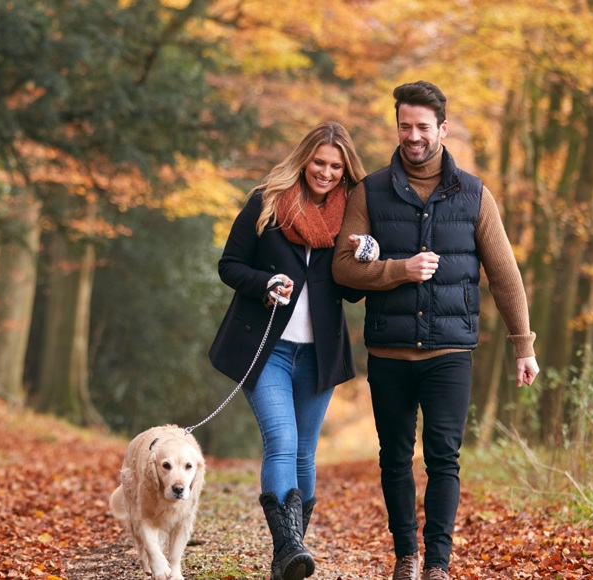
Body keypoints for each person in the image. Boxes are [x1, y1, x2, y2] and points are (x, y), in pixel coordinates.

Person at [332, 81, 540, 580]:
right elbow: (342, 268)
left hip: (450, 353)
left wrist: (523, 346)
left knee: (444, 458)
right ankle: (406, 557)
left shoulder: (473, 194)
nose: (413, 136)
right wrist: (398, 270)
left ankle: (438, 565)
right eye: (405, 126)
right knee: (395, 459)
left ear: (442, 129)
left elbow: (505, 273)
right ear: (397, 126)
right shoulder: (370, 192)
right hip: (389, 350)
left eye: (423, 127)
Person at [209, 120, 367, 580]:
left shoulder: (351, 217)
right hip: (268, 350)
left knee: (304, 454)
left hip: (319, 355)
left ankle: (288, 558)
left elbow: (354, 293)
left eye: (336, 166)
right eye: (319, 162)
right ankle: (288, 549)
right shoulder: (268, 202)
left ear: (345, 169)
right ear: (304, 159)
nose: (326, 172)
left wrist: (364, 256)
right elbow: (229, 264)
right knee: (281, 441)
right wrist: (265, 283)